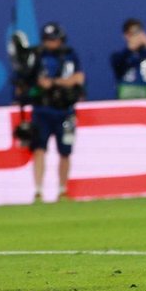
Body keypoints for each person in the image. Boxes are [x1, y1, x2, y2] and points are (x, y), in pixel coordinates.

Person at [27, 22, 85, 203]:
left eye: (55, 39)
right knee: (39, 149)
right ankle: (38, 191)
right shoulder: (36, 56)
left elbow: (79, 78)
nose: (52, 43)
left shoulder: (70, 55)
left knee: (65, 151)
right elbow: (30, 81)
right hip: (42, 110)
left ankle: (62, 189)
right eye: (48, 40)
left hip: (65, 110)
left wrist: (54, 83)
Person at [110, 18, 146, 99]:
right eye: (133, 33)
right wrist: (129, 50)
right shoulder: (120, 55)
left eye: (139, 32)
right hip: (130, 94)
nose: (137, 36)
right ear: (126, 36)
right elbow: (117, 66)